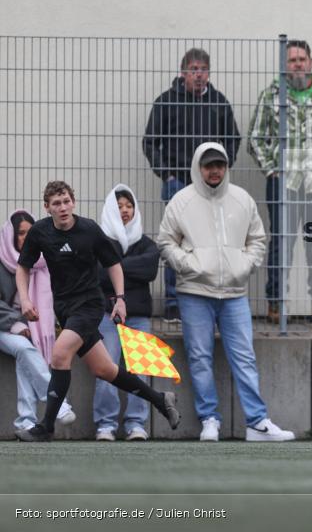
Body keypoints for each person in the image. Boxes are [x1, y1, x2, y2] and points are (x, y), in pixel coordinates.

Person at [14, 181, 180, 442]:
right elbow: (23, 267)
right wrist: (24, 300)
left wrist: (120, 299)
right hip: (65, 310)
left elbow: (113, 264)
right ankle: (160, 399)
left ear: (74, 202)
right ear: (47, 208)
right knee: (105, 369)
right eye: (56, 203)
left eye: (67, 201)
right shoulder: (40, 233)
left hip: (90, 306)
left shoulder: (89, 230)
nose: (63, 207)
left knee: (59, 354)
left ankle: (46, 426)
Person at [157, 143, 294, 442]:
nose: (215, 170)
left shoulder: (242, 200)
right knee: (199, 358)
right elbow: (166, 241)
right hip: (193, 292)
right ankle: (209, 420)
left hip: (234, 293)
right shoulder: (181, 201)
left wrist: (243, 266)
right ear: (198, 167)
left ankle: (257, 423)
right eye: (208, 165)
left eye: (219, 164)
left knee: (244, 357)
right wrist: (188, 264)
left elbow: (257, 239)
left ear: (226, 167)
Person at [248, 40, 312, 325]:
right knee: (282, 245)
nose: (297, 64)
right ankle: (277, 304)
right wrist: (271, 170)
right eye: (291, 60)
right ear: (285, 65)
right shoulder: (272, 96)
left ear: (310, 62)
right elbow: (255, 138)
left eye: (301, 59)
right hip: (284, 184)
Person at [143, 47, 241, 323]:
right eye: (194, 70)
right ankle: (174, 301)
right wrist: (167, 175)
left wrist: (222, 169)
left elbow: (233, 139)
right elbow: (150, 141)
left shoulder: (218, 103)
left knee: (211, 241)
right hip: (177, 184)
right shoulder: (167, 102)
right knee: (177, 242)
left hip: (212, 187)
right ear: (183, 72)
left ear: (209, 74)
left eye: (203, 70)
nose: (199, 75)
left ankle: (208, 297)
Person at [92, 185, 159, 441]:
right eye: (119, 206)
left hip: (139, 316)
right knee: (106, 369)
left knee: (141, 369)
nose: (125, 211)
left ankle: (136, 423)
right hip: (107, 315)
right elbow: (98, 274)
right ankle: (105, 424)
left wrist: (115, 268)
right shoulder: (99, 241)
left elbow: (149, 269)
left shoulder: (145, 243)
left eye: (129, 206)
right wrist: (126, 272)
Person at [0, 210, 76, 432]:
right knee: (24, 346)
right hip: (5, 325)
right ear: (11, 236)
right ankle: (57, 403)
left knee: (25, 353)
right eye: (21, 233)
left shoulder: (44, 262)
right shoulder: (2, 260)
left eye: (30, 232)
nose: (26, 237)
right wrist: (16, 323)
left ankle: (26, 421)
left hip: (32, 327)